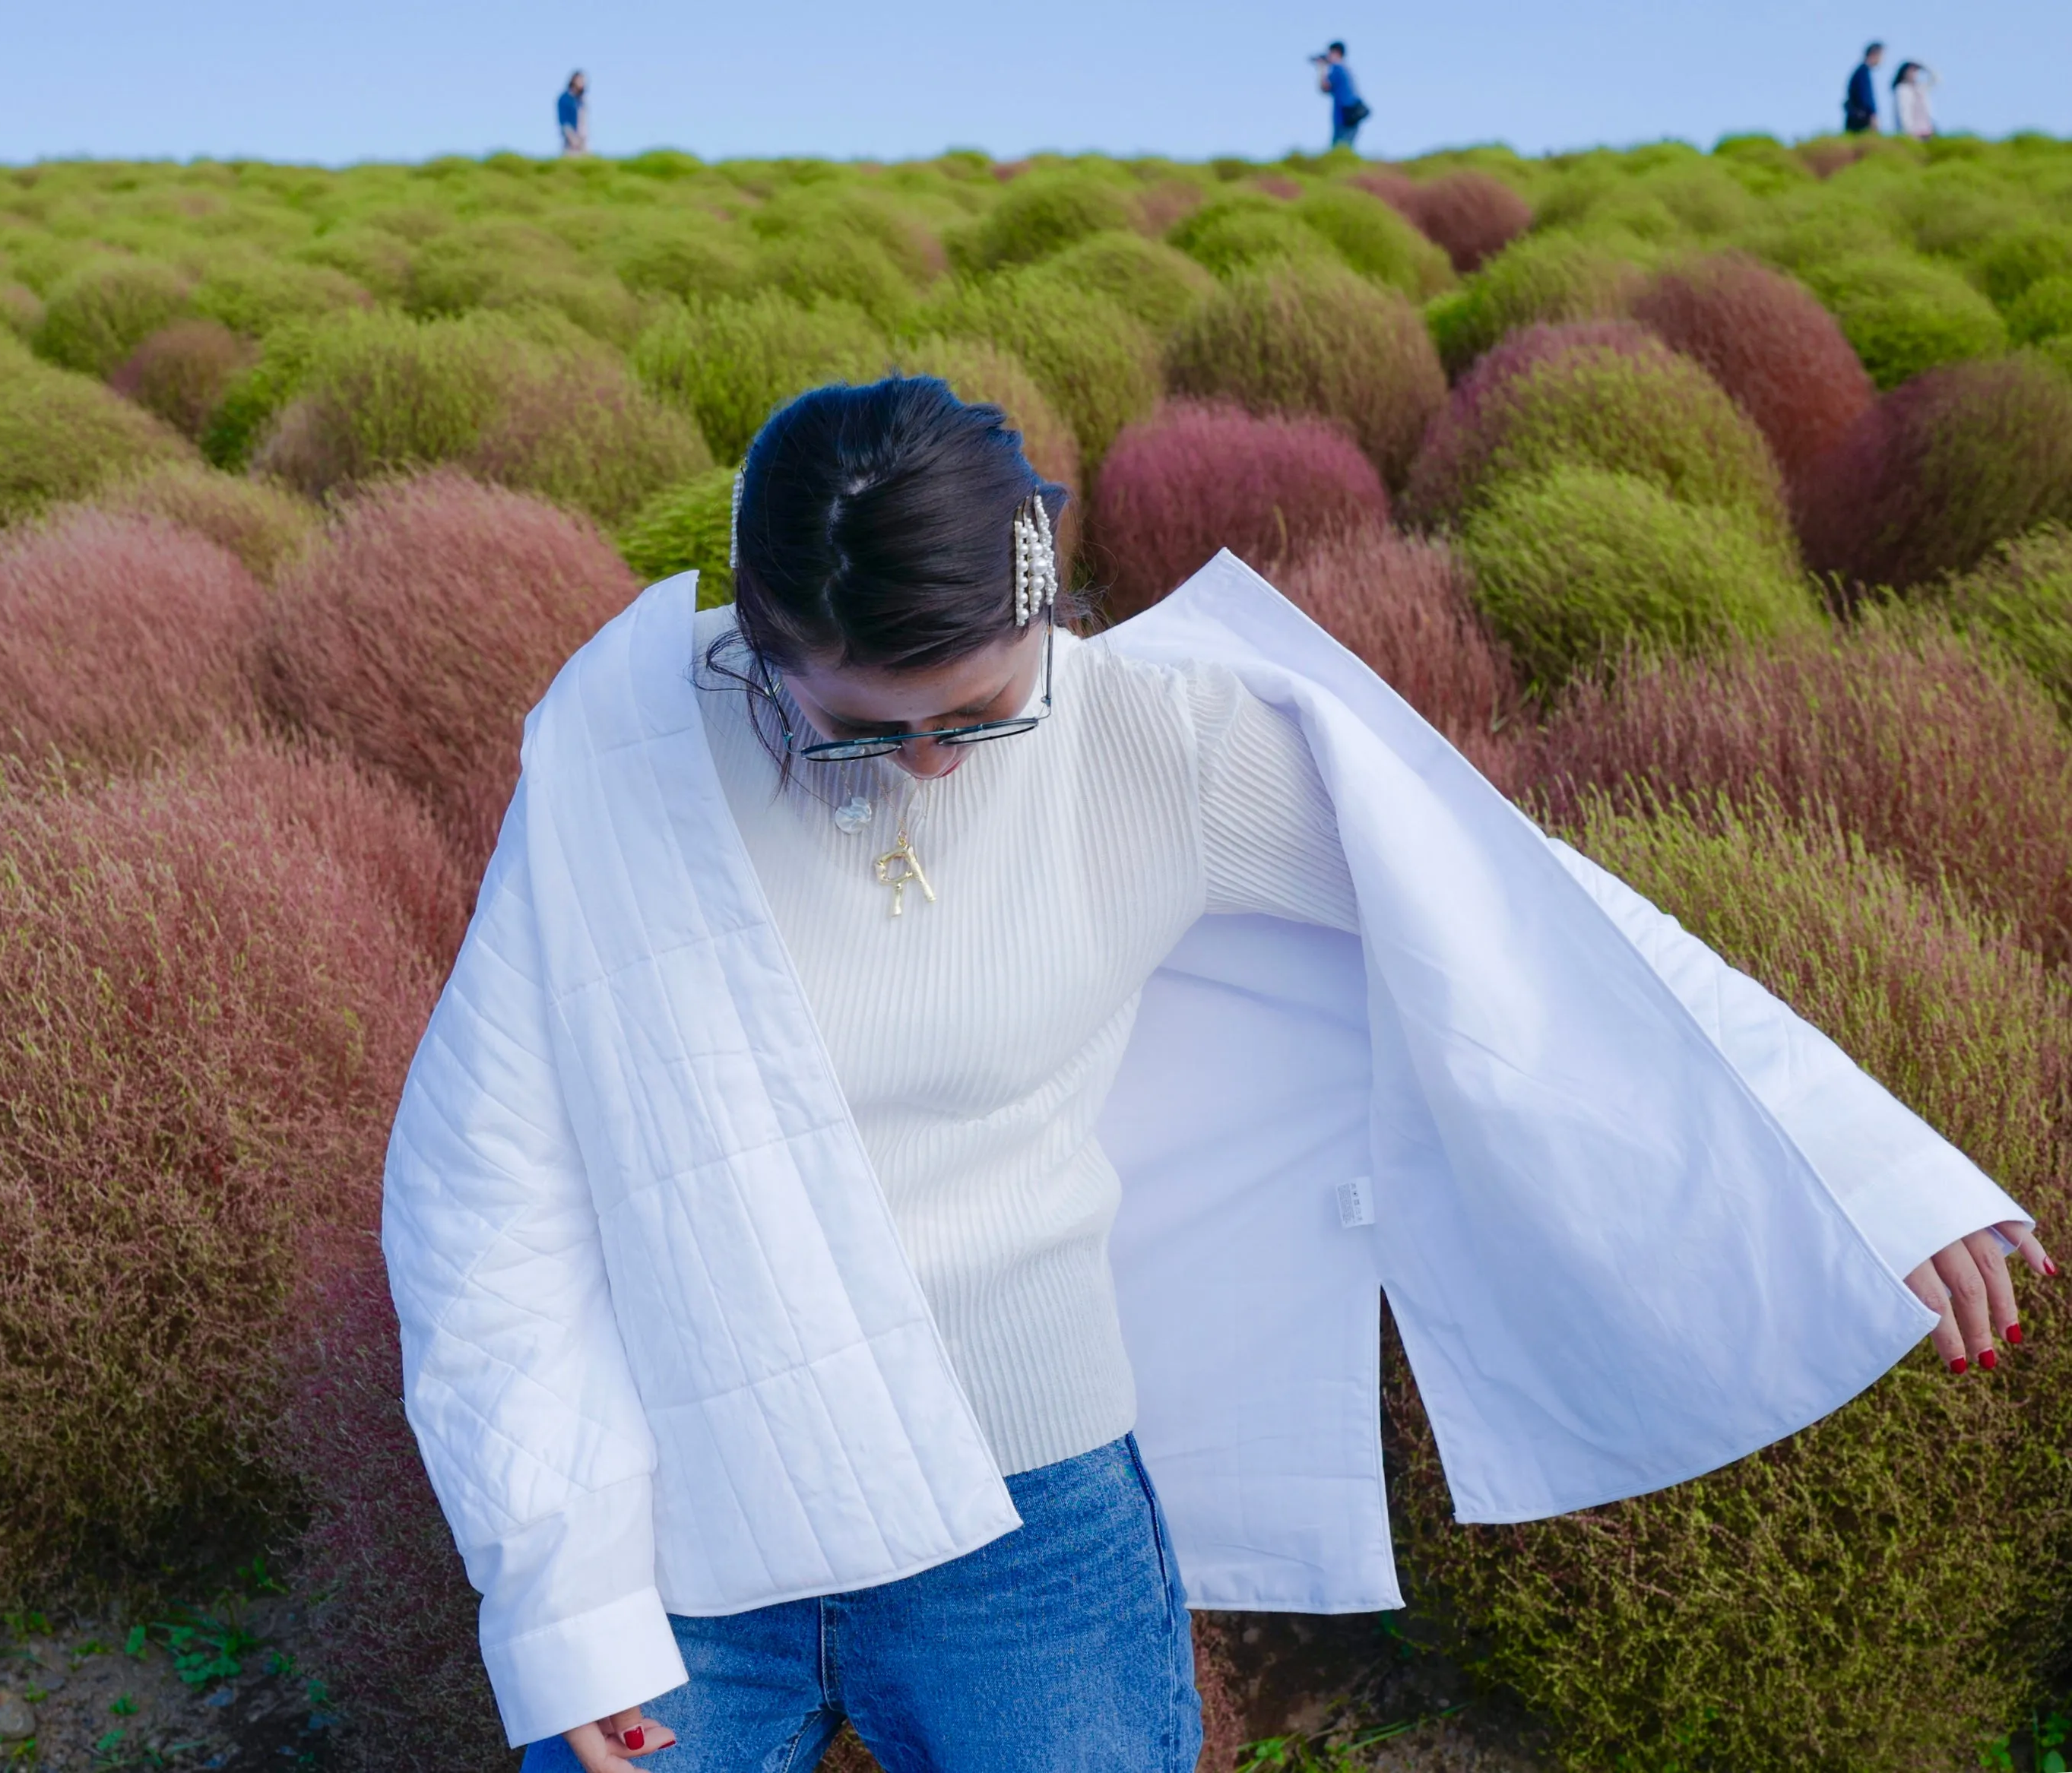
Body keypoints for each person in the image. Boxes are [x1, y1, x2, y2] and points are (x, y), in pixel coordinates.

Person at [382, 376, 2055, 1773]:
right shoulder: (614, 763)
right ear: (756, 643)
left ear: (1040, 609)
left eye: (976, 712)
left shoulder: (1157, 744)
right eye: (858, 728)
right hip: (690, 1520)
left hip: (1025, 1516)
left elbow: (1513, 915)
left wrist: (1855, 1165)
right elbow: (488, 1203)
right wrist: (562, 1596)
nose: (930, 768)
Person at [1313, 40, 1368, 150]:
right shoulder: (1345, 70)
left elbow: (1324, 88)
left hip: (1344, 116)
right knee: (1345, 148)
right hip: (1350, 115)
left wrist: (1321, 69)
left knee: (1340, 148)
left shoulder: (1338, 69)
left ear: (1336, 53)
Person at [1845, 42, 1884, 133]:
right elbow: (1866, 97)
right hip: (1861, 121)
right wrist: (1872, 114)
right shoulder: (1863, 72)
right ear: (1874, 54)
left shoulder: (1861, 71)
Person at [1894, 61, 1937, 138]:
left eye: (1915, 71)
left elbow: (1936, 78)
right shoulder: (1902, 89)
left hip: (1927, 130)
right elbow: (1903, 112)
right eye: (1911, 71)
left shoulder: (1920, 87)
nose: (1913, 74)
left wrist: (1924, 67)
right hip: (1912, 132)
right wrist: (1907, 132)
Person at [557, 70, 588, 156]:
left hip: (583, 138)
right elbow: (564, 121)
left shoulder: (581, 100)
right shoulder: (565, 99)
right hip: (571, 140)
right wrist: (572, 138)